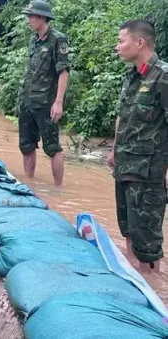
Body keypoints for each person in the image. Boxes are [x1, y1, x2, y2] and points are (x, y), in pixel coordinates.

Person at [109, 19, 168, 275]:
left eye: (121, 40)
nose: (117, 46)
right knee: (129, 230)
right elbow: (122, 116)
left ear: (139, 42)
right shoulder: (132, 76)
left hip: (149, 173)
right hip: (125, 167)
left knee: (147, 245)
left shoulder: (163, 76)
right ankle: (136, 285)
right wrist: (114, 149)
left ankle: (155, 296)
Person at [18, 1, 69, 186]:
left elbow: (63, 71)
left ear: (41, 17)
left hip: (46, 103)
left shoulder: (57, 39)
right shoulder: (34, 39)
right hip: (27, 101)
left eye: (31, 16)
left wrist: (58, 102)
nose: (28, 20)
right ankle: (29, 183)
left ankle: (58, 189)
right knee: (26, 145)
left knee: (52, 147)